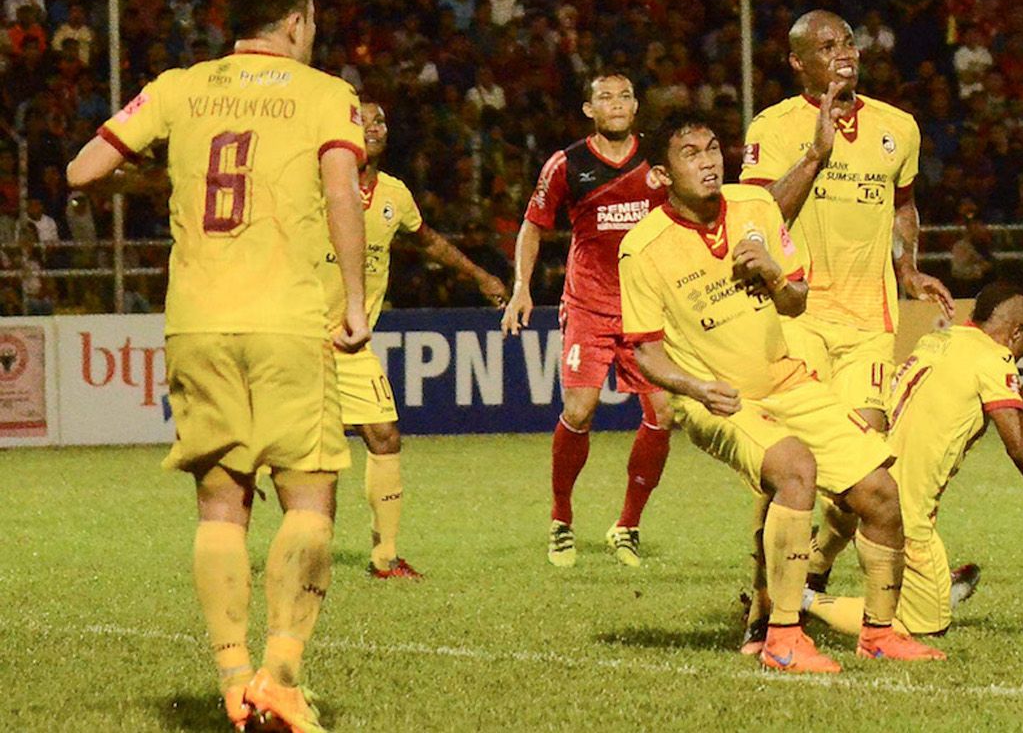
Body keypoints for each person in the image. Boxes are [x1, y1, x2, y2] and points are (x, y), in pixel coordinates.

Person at [65, 0, 366, 732]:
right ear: (296, 22)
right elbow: (340, 193)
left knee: (220, 504)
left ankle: (233, 679)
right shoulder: (327, 94)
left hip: (195, 318)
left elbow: (82, 170)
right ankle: (283, 675)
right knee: (310, 495)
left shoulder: (178, 86)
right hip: (285, 319)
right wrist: (357, 301)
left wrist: (164, 182)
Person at [619, 109, 944, 671]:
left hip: (786, 379)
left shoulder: (756, 207)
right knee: (795, 470)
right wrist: (695, 386)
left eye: (712, 147)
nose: (708, 161)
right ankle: (782, 636)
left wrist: (772, 271)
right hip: (716, 398)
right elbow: (645, 351)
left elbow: (795, 300)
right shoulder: (643, 248)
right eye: (689, 153)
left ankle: (879, 632)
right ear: (661, 175)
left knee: (882, 494)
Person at [741, 10, 952, 616]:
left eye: (850, 42)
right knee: (790, 463)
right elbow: (758, 216)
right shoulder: (775, 126)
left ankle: (810, 575)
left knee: (865, 469)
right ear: (798, 62)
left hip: (867, 327)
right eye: (827, 45)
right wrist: (815, 152)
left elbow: (903, 206)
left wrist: (907, 267)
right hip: (795, 319)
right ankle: (766, 601)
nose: (844, 53)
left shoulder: (898, 127)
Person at [803, 281, 1023, 636]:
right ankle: (797, 600)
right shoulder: (991, 360)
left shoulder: (937, 340)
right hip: (901, 514)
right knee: (922, 623)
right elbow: (1020, 445)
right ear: (1016, 335)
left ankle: (794, 578)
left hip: (860, 472)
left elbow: (1016, 412)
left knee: (839, 523)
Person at [329, 102, 508, 580]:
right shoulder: (314, 185)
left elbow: (427, 240)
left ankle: (384, 558)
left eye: (381, 120)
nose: (372, 127)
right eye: (360, 120)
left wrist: (479, 275)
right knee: (286, 454)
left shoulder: (394, 194)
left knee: (384, 435)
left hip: (350, 345)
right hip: (297, 337)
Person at [502, 73, 673, 568]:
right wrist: (521, 287)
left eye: (624, 96)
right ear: (588, 110)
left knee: (663, 414)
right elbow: (533, 226)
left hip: (645, 308)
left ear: (636, 106)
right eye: (605, 98)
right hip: (588, 304)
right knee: (579, 410)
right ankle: (561, 519)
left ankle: (628, 525)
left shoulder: (658, 162)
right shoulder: (567, 164)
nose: (616, 104)